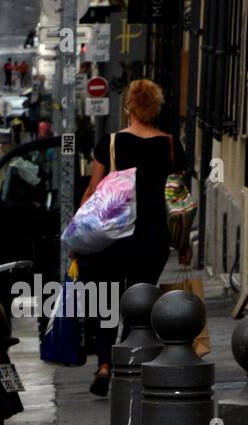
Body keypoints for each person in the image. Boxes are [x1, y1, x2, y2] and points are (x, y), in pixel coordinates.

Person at [76, 79, 188, 396]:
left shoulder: (110, 143)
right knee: (139, 301)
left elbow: (92, 192)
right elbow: (179, 200)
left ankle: (104, 365)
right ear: (155, 108)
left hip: (113, 236)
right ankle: (129, 360)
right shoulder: (169, 145)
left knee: (106, 301)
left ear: (129, 107)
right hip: (152, 237)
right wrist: (183, 244)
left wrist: (79, 236)